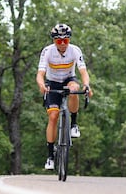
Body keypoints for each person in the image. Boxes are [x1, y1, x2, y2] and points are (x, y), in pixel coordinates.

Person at [36, 23, 93, 170]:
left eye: (65, 40)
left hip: (69, 79)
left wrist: (87, 85)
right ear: (54, 41)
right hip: (52, 82)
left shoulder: (75, 50)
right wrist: (42, 85)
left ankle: (73, 124)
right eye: (59, 41)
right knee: (53, 116)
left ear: (69, 40)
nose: (62, 44)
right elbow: (40, 74)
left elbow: (83, 72)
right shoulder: (47, 51)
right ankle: (50, 156)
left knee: (74, 88)